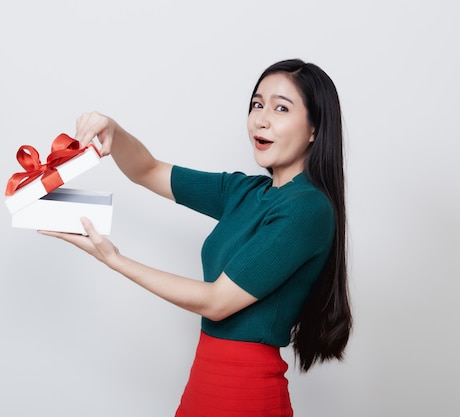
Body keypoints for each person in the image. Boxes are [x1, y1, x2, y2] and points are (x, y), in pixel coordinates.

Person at [40, 58, 352, 417]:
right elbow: (148, 170)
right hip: (205, 379)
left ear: (314, 128)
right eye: (257, 104)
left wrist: (115, 259)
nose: (261, 119)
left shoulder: (307, 208)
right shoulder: (246, 192)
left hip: (246, 393)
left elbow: (217, 301)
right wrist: (113, 130)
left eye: (281, 108)